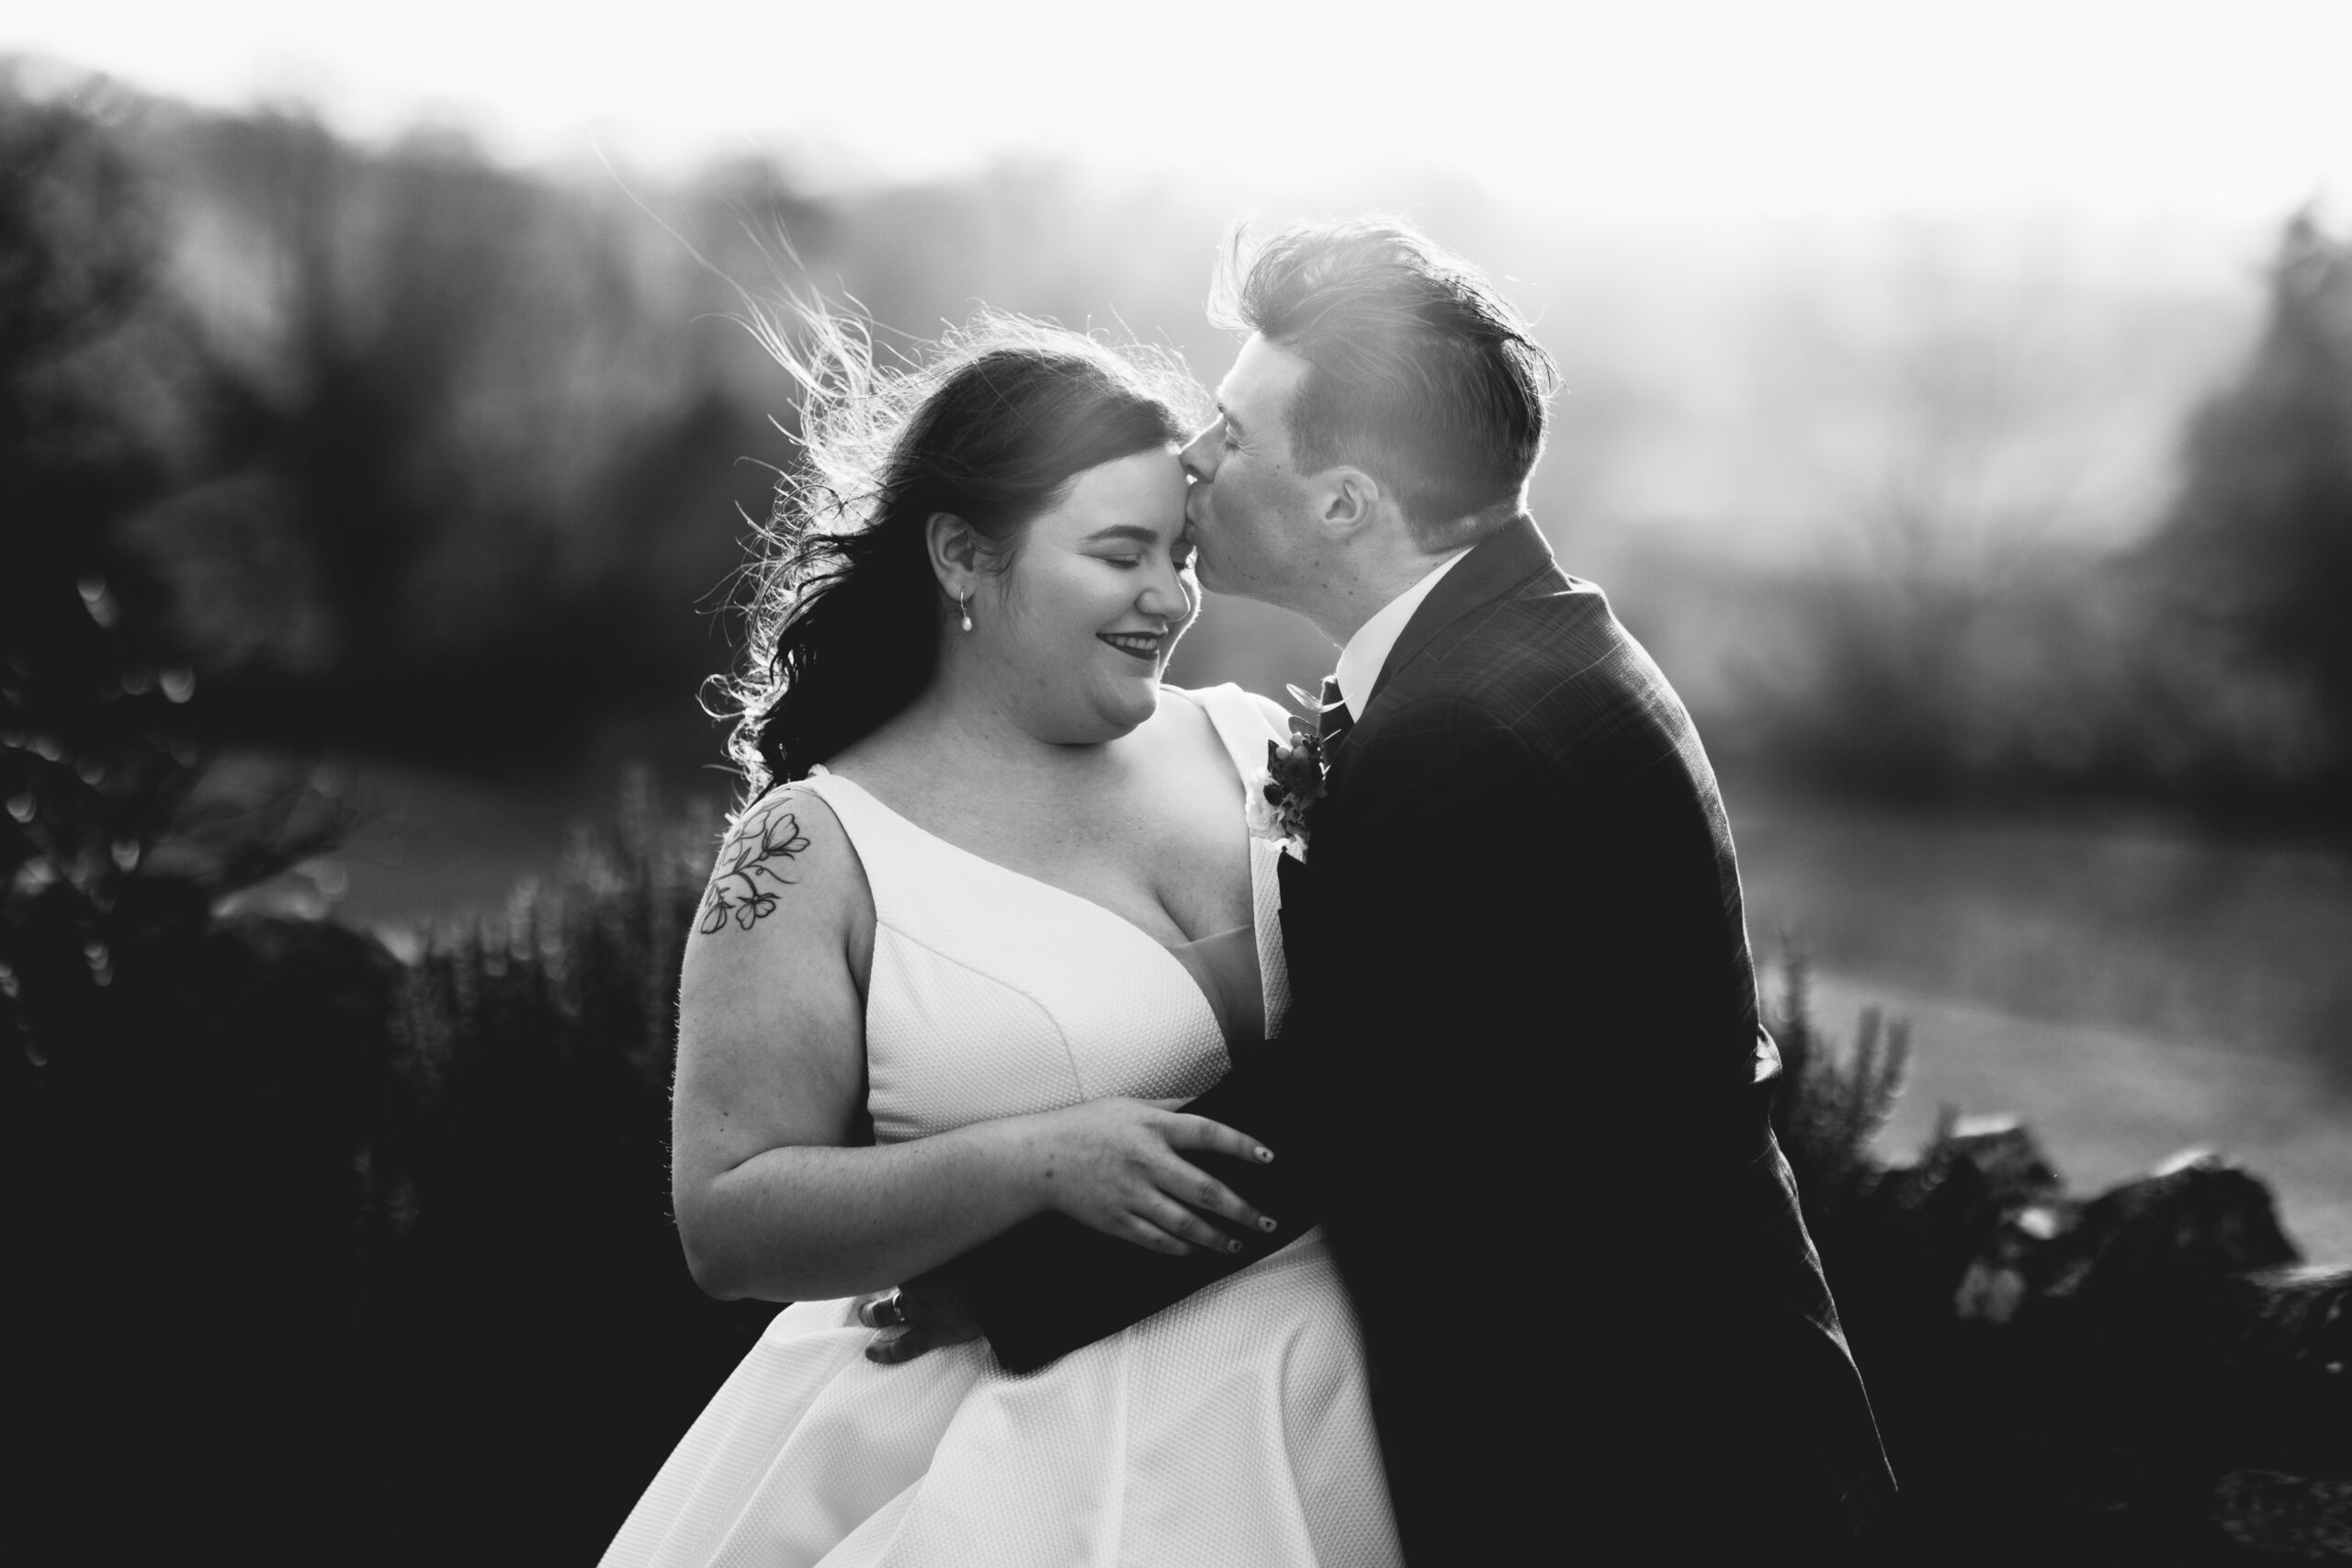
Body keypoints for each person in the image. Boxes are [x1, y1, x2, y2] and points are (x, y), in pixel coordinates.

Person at [890, 220, 1899, 1560]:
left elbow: (1339, 1105)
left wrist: (1000, 1285)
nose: (1195, 459)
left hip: (1647, 1458)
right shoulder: (1522, 649)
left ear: (1345, 502)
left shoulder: (1466, 729)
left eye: (1234, 434)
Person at [599, 313, 1402, 1567]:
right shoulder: (812, 849)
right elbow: (728, 1220)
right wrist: (1034, 1162)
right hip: (1023, 1466)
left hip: (1342, 1412)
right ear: (965, 556)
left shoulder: (1258, 743)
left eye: (1181, 554)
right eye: (1121, 554)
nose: (1169, 597)